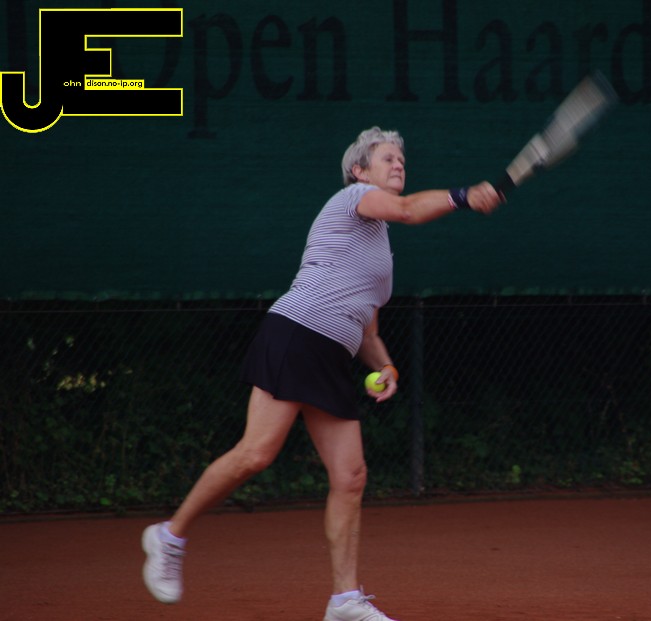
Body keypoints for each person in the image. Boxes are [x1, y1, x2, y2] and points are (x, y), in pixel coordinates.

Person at [141, 126, 502, 621]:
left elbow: (368, 330)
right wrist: (463, 196)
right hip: (296, 332)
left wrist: (387, 366)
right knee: (256, 454)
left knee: (351, 476)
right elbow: (407, 209)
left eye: (402, 159)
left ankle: (344, 600)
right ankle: (169, 536)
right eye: (387, 158)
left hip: (331, 355)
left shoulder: (381, 251)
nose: (399, 164)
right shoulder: (352, 199)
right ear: (359, 171)